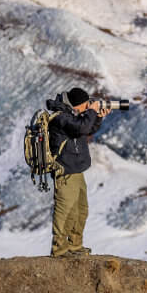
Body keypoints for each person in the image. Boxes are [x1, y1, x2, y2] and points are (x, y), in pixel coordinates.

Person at [46, 86, 112, 257]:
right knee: (65, 209)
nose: (87, 106)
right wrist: (92, 112)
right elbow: (80, 128)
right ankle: (59, 249)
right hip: (65, 170)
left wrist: (98, 117)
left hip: (76, 170)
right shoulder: (60, 117)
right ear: (76, 105)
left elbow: (87, 130)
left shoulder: (72, 115)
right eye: (85, 104)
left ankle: (75, 246)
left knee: (80, 210)